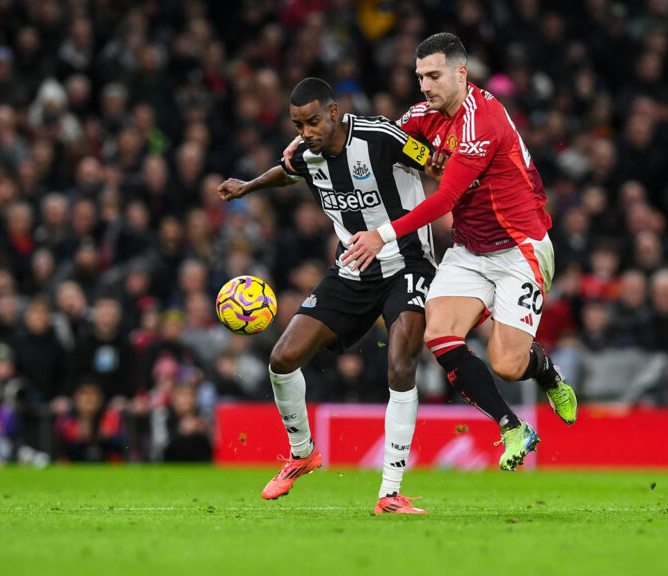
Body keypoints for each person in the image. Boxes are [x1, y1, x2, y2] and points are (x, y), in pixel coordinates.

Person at [336, 33, 578, 471]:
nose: (425, 86)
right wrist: (315, 145)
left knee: (507, 364)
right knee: (439, 334)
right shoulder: (423, 115)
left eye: (433, 76)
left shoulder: (482, 122)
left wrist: (381, 235)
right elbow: (378, 138)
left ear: (461, 73)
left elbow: (445, 199)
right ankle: (512, 427)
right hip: (469, 249)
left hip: (520, 249)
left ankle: (546, 372)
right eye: (419, 77)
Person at [217, 77, 441, 513]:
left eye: (313, 122)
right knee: (282, 359)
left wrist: (442, 168)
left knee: (400, 364)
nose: (306, 132)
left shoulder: (379, 136)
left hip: (408, 262)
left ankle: (390, 492)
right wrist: (247, 186)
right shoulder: (307, 153)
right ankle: (302, 453)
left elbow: (432, 161)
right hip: (352, 269)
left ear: (334, 112)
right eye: (298, 125)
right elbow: (289, 172)